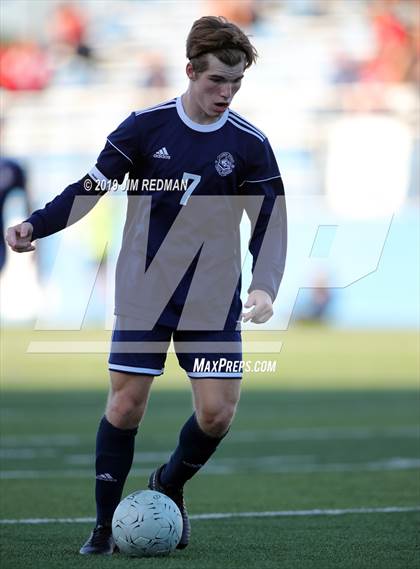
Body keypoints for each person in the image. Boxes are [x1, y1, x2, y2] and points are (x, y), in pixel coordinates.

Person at [6, 16, 287, 555]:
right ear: (189, 71)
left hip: (211, 296)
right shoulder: (144, 128)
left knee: (217, 413)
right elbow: (89, 190)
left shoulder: (250, 144)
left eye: (236, 84)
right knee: (126, 405)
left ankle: (168, 484)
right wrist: (34, 225)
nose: (225, 94)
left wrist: (265, 286)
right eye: (215, 82)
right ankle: (104, 525)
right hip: (146, 291)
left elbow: (269, 221)